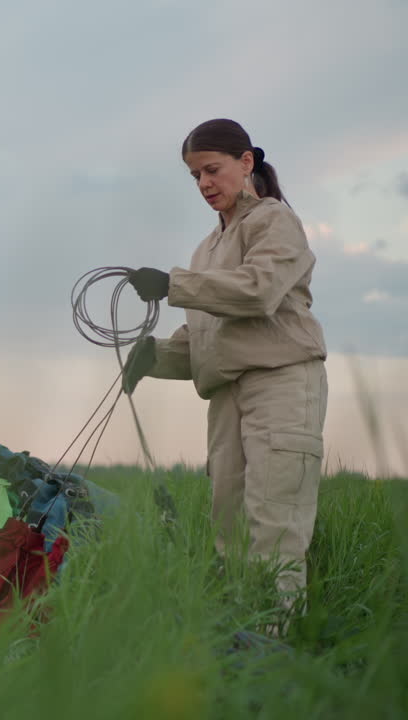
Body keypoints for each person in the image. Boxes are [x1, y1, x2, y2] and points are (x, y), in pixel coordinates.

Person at [123, 118, 327, 602]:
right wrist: (152, 356)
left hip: (282, 384)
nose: (204, 184)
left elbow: (258, 292)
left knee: (274, 524)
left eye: (212, 170)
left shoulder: (275, 220)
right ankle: (240, 642)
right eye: (195, 176)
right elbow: (206, 335)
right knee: (229, 525)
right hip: (226, 395)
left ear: (246, 163)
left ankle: (274, 652)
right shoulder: (206, 248)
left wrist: (174, 285)